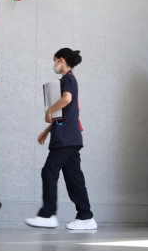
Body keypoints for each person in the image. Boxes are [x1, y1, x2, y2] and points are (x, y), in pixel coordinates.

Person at [25, 48, 97, 230]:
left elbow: (67, 99)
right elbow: (67, 112)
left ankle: (48, 214)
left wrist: (49, 111)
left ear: (61, 60)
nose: (54, 64)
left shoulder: (67, 79)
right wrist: (47, 130)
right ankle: (86, 217)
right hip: (70, 138)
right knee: (74, 179)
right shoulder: (69, 80)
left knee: (49, 171)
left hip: (65, 139)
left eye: (55, 60)